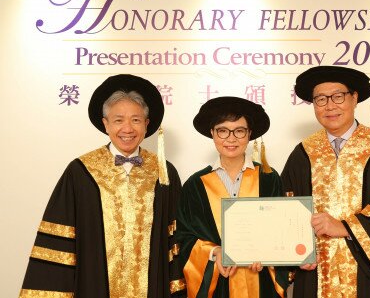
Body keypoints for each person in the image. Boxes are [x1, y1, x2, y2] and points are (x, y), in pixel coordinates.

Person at [19, 74, 186, 298]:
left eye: (136, 120)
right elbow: (60, 248)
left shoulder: (164, 173)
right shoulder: (81, 172)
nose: (127, 128)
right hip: (93, 288)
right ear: (105, 124)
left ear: (147, 125)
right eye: (118, 120)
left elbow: (176, 242)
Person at [281, 66, 370, 298]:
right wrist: (294, 257)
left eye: (338, 96)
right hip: (314, 274)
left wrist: (346, 227)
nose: (329, 106)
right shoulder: (302, 154)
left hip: (367, 278)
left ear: (354, 98)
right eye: (320, 99)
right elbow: (284, 210)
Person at [176, 97, 290, 298]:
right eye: (222, 130)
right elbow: (184, 238)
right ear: (212, 133)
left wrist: (266, 252)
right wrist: (214, 252)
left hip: (260, 282)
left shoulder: (269, 179)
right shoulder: (195, 185)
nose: (231, 138)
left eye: (239, 131)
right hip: (218, 284)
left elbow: (283, 229)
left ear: (249, 134)